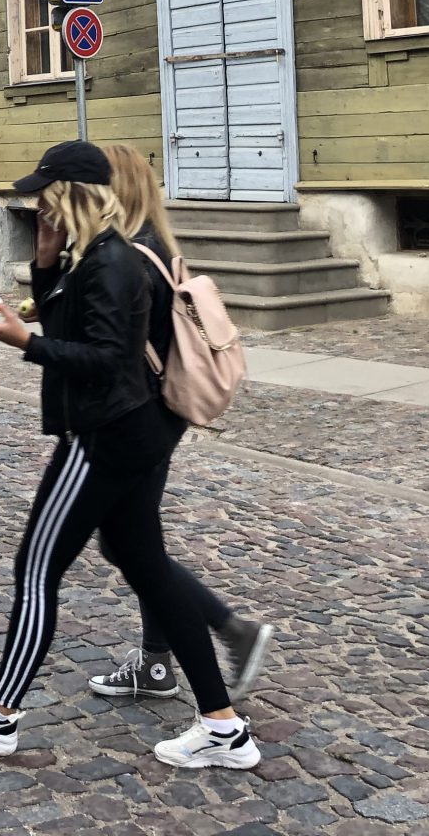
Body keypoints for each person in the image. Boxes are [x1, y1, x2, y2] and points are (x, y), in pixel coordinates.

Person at [0, 140, 259, 770]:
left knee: (36, 570)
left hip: (101, 438)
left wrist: (21, 341)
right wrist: (46, 265)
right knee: (145, 566)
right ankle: (223, 726)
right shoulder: (95, 257)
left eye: (45, 202)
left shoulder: (114, 262)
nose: (39, 212)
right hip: (127, 435)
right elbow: (74, 328)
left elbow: (106, 360)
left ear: (70, 196)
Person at [84, 144, 275, 704]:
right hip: (160, 415)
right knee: (134, 541)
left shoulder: (129, 257)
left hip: (139, 419)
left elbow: (113, 351)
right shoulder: (156, 244)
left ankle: (230, 630)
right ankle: (158, 662)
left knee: (130, 547)